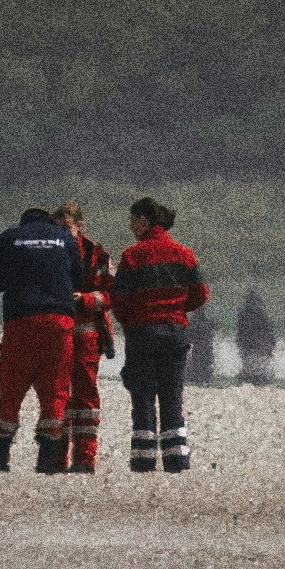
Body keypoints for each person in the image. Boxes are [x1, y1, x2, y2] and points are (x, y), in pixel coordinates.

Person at [111, 195, 209, 474]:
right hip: (175, 331)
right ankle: (176, 460)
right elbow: (201, 294)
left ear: (144, 220)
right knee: (172, 395)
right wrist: (178, 310)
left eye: (133, 220)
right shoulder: (184, 253)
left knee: (142, 395)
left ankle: (143, 461)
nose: (130, 226)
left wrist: (132, 323)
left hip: (143, 333)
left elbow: (118, 300)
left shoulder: (131, 256)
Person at [0, 203, 83, 472]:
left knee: (12, 386)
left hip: (21, 320)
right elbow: (79, 278)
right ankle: (48, 460)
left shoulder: (8, 237)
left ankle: (1, 457)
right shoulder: (64, 238)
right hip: (59, 321)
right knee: (55, 387)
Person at [55, 200, 114, 474]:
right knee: (56, 397)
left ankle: (85, 459)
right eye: (59, 229)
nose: (64, 234)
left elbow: (112, 294)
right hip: (57, 334)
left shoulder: (96, 254)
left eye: (68, 228)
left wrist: (87, 299)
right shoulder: (49, 254)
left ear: (80, 226)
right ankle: (56, 458)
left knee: (86, 398)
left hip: (88, 335)